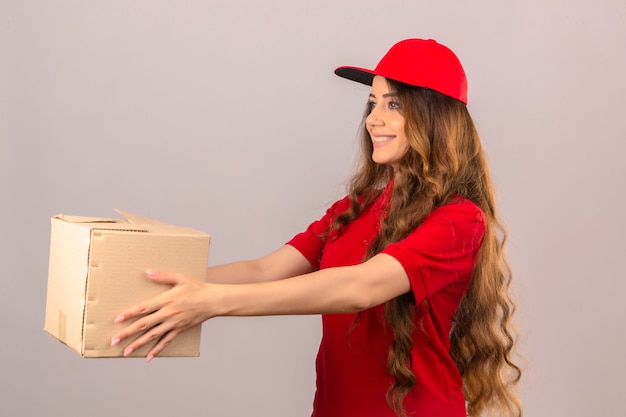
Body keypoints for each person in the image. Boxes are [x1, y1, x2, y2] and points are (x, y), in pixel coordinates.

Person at [111, 38, 522, 417]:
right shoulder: (355, 207)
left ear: (435, 116)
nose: (373, 120)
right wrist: (158, 286)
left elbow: (361, 288)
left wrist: (213, 302)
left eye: (393, 105)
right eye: (372, 103)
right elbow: (263, 271)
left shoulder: (460, 220)